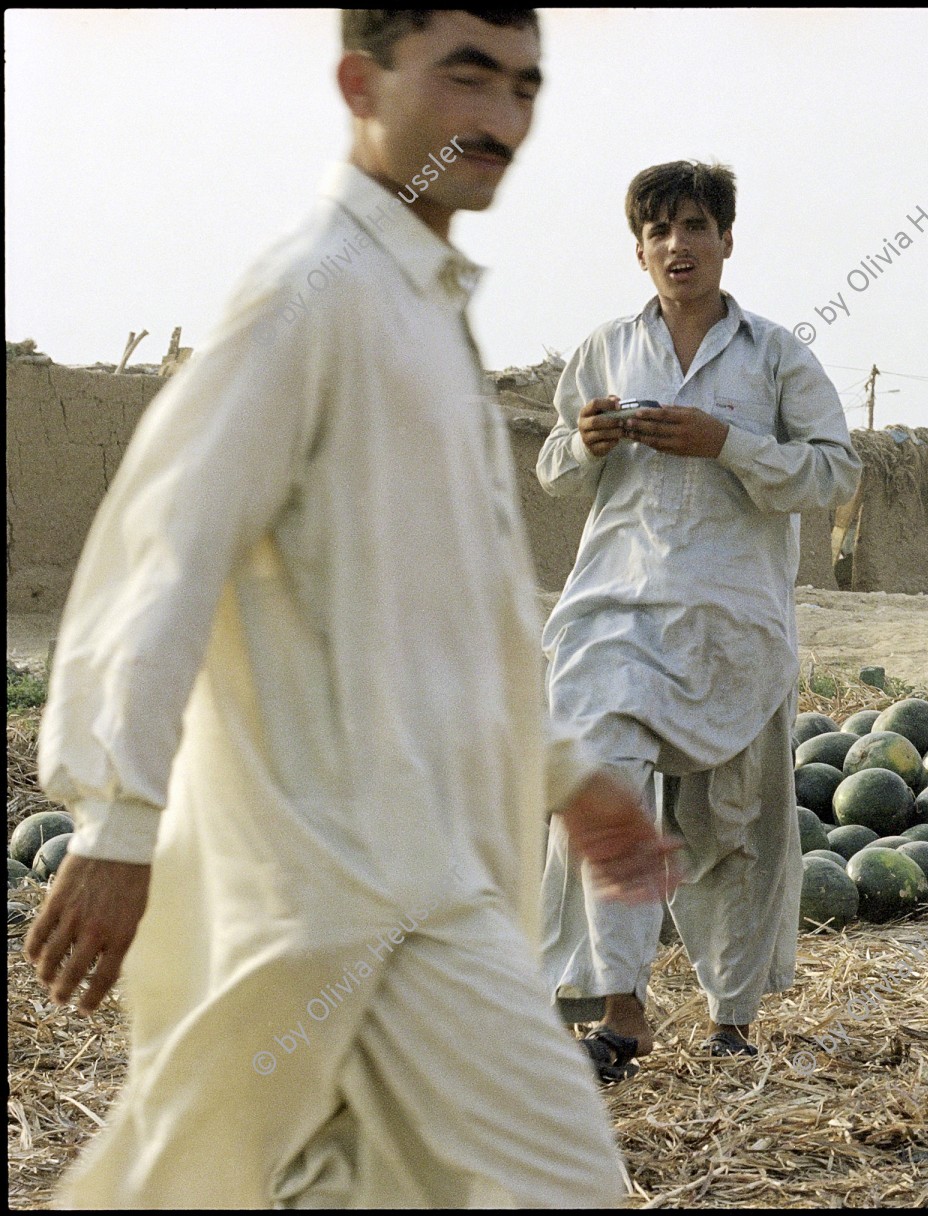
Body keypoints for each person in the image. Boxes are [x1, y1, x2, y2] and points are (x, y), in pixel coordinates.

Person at [24, 10, 679, 1206]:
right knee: (563, 1179)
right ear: (358, 81)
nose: (502, 118)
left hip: (417, 860)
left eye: (526, 87)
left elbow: (457, 614)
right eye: (467, 75)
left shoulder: (421, 309)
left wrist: (566, 772)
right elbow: (169, 550)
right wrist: (118, 821)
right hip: (367, 881)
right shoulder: (308, 297)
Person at [536, 160, 861, 1077]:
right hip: (614, 610)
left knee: (733, 820)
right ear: (639, 250)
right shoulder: (605, 348)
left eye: (695, 227)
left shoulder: (775, 356)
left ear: (726, 239)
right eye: (659, 232)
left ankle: (732, 1016)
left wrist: (730, 445)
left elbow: (836, 474)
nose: (678, 246)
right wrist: (585, 441)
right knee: (600, 790)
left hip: (732, 622)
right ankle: (622, 1008)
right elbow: (555, 463)